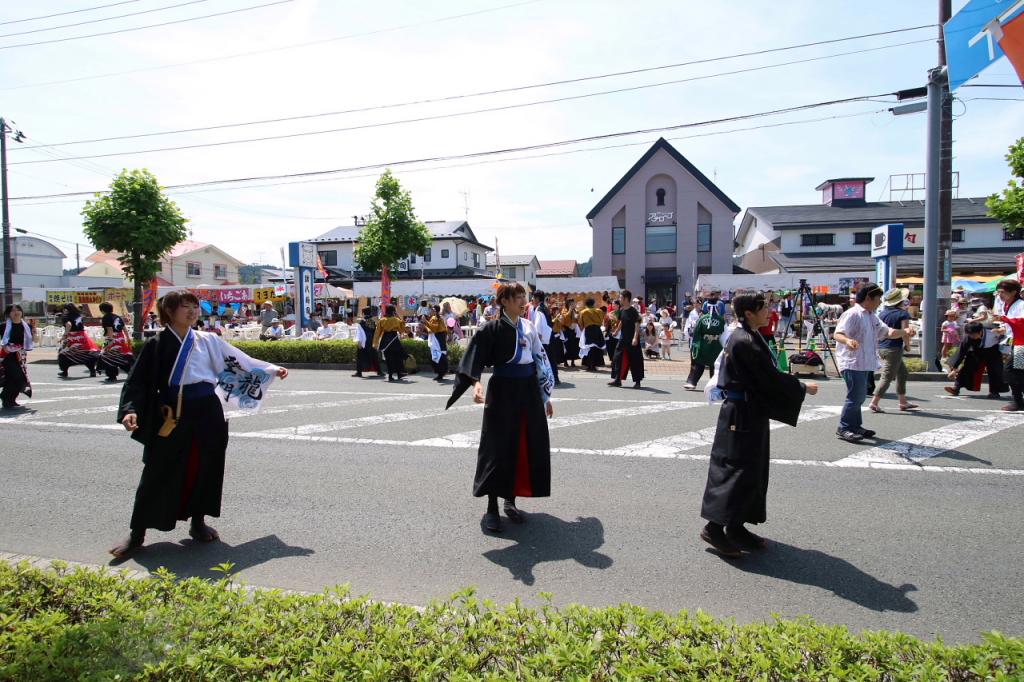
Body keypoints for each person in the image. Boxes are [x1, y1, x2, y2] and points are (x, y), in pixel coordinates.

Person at [110, 290, 289, 558]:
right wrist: (130, 409)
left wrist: (269, 370)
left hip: (208, 412)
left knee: (206, 467)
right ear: (169, 311)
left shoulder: (208, 340)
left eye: (194, 306)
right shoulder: (156, 344)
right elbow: (137, 381)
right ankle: (137, 533)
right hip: (172, 413)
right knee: (158, 472)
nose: (192, 311)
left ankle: (198, 522)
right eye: (185, 307)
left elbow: (237, 362)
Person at [699, 292, 818, 557]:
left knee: (752, 470)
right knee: (735, 471)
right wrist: (800, 386)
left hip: (749, 412)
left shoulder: (750, 336)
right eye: (764, 307)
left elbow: (766, 376)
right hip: (740, 414)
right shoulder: (742, 340)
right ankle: (714, 528)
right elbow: (767, 378)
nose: (769, 311)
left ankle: (737, 526)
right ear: (749, 313)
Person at [445, 282, 554, 533]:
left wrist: (546, 396)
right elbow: (475, 359)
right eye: (517, 297)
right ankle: (491, 508)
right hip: (502, 390)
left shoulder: (528, 327)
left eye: (524, 297)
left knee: (523, 444)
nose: (522, 301)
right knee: (497, 448)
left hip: (527, 390)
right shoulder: (490, 329)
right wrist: (476, 384)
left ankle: (510, 501)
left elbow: (540, 361)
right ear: (504, 301)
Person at [832, 284, 915, 443]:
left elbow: (888, 332)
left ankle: (855, 426)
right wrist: (848, 340)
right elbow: (838, 334)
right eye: (878, 299)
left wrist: (904, 332)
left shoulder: (871, 315)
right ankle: (844, 427)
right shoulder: (853, 314)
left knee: (860, 395)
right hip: (851, 361)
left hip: (864, 361)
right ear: (869, 298)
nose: (880, 302)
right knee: (855, 396)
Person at [868, 288, 919, 413]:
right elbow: (905, 333)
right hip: (894, 348)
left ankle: (903, 401)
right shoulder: (903, 314)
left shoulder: (882, 313)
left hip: (882, 347)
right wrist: (908, 346)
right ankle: (874, 402)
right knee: (887, 376)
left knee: (902, 373)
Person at [993, 279, 1024, 411]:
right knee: (1018, 371)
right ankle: (1018, 401)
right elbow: (1012, 325)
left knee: (1011, 371)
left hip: (1021, 343)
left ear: (1013, 292)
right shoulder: (1008, 305)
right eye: (998, 292)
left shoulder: (1021, 304)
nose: (1000, 295)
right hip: (1016, 342)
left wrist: (1004, 319)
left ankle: (1018, 401)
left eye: (1003, 292)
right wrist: (1002, 329)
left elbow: (1021, 322)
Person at [608, 290, 643, 388]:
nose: (619, 299)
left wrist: (635, 338)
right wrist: (616, 331)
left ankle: (637, 382)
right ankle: (617, 379)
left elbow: (637, 325)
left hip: (632, 339)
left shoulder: (633, 311)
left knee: (635, 360)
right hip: (623, 338)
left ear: (626, 299)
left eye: (621, 297)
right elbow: (621, 322)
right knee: (617, 357)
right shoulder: (622, 310)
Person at [1, 304, 33, 409]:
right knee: (18, 376)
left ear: (21, 312)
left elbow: (35, 341)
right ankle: (6, 396)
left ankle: (9, 400)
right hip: (7, 355)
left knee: (13, 378)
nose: (16, 312)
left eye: (18, 310)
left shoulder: (27, 326)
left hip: (21, 355)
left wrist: (35, 333)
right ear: (9, 314)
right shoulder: (4, 326)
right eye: (13, 310)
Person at [684, 307, 725, 390]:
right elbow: (697, 332)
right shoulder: (719, 320)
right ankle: (692, 382)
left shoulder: (708, 319)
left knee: (714, 365)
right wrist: (695, 345)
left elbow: (697, 332)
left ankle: (714, 384)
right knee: (699, 363)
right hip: (709, 344)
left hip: (714, 345)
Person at [945, 322, 990, 396]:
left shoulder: (990, 333)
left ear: (980, 331)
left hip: (992, 352)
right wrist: (954, 369)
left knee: (995, 371)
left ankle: (995, 391)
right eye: (969, 335)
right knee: (966, 369)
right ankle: (956, 388)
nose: (971, 337)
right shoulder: (968, 338)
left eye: (973, 335)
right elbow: (961, 353)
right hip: (976, 354)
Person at [96, 301, 135, 382]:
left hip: (112, 339)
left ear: (102, 310)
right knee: (120, 356)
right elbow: (124, 328)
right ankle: (131, 373)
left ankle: (112, 376)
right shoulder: (117, 316)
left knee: (108, 357)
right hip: (121, 338)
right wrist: (128, 338)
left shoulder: (106, 318)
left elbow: (110, 330)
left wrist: (106, 344)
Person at [58, 303, 99, 378]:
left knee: (63, 354)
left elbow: (69, 325)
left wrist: (64, 335)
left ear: (66, 309)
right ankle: (92, 371)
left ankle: (64, 371)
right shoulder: (80, 316)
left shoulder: (66, 316)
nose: (63, 311)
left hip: (73, 337)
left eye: (64, 309)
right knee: (86, 353)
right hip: (82, 336)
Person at [529, 291, 558, 385]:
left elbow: (538, 329)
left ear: (537, 299)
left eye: (533, 298)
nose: (532, 300)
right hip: (549, 337)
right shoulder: (544, 308)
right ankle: (555, 377)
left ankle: (547, 379)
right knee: (550, 359)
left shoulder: (539, 310)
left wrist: (537, 343)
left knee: (543, 360)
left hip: (544, 340)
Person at [373, 305, 408, 382]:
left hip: (385, 340)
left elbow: (377, 333)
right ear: (393, 311)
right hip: (394, 339)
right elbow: (402, 330)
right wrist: (398, 317)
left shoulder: (382, 320)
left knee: (389, 359)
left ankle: (390, 376)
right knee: (398, 357)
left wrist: (375, 343)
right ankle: (399, 373)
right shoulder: (396, 320)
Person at [353, 307, 384, 378]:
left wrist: (359, 342)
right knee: (374, 357)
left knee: (360, 357)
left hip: (363, 342)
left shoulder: (362, 322)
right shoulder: (372, 321)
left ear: (363, 313)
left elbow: (359, 333)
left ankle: (359, 372)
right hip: (371, 341)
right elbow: (374, 332)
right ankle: (379, 372)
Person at [578, 298, 605, 371]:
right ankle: (595, 365)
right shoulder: (599, 311)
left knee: (588, 348)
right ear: (593, 304)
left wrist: (582, 330)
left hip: (588, 330)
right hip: (597, 330)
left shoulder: (583, 312)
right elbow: (602, 320)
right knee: (596, 347)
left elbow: (580, 323)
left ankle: (589, 365)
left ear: (586, 304)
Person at [426, 305, 449, 382]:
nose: (430, 311)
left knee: (436, 354)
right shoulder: (439, 317)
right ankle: (442, 372)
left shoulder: (435, 318)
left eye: (432, 309)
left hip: (437, 337)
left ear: (435, 311)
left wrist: (425, 322)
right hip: (440, 337)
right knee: (441, 354)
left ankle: (440, 373)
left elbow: (433, 328)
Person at [560, 300, 579, 368]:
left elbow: (577, 319)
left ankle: (573, 361)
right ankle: (565, 361)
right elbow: (564, 318)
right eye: (571, 304)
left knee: (573, 346)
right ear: (568, 304)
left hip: (573, 330)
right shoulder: (564, 310)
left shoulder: (575, 311)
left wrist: (577, 316)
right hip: (566, 329)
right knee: (566, 346)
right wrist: (570, 311)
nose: (573, 305)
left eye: (573, 303)